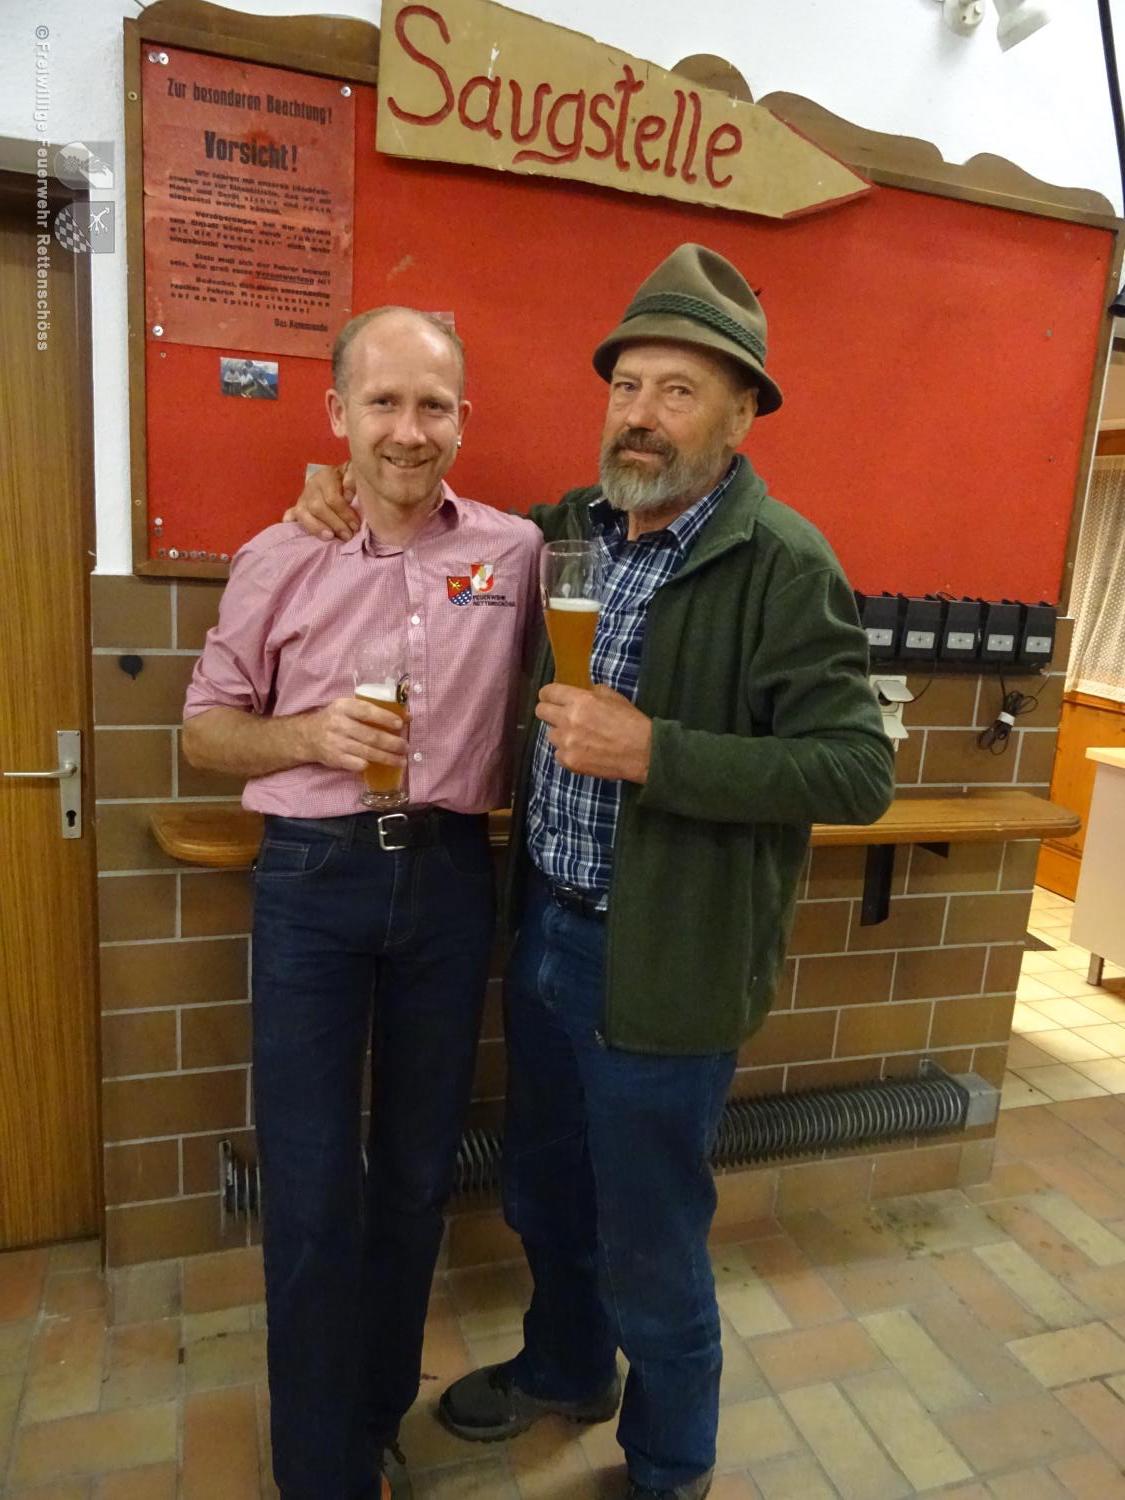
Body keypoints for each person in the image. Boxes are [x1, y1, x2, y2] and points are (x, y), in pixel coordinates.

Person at [288, 245, 895, 1500]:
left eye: (680, 389)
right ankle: (569, 1367)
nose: (642, 413)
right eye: (627, 385)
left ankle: (671, 1466)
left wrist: (657, 753)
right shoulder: (566, 530)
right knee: (546, 1195)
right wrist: (335, 486)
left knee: (652, 1242)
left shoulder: (784, 564)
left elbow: (854, 771)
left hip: (666, 964)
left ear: (740, 414)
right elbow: (428, 516)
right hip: (548, 936)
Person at [182, 306, 541, 1500]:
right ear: (337, 413)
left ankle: (375, 1418)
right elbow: (204, 733)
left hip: (448, 877)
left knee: (418, 1174)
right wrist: (307, 735)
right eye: (382, 402)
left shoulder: (514, 552)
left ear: (463, 420)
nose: (408, 430)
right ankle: (318, 1472)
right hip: (313, 883)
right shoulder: (278, 556)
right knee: (310, 1189)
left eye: (432, 405)